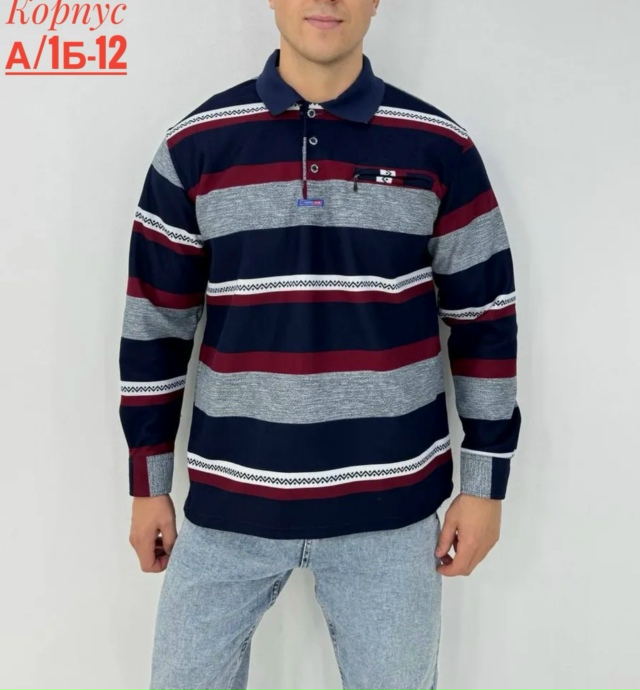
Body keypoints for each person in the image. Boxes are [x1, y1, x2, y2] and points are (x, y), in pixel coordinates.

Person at [118, 1, 521, 688]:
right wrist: (147, 484)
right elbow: (156, 321)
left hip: (390, 514)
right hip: (229, 505)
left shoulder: (438, 147)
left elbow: (484, 317)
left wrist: (485, 486)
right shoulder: (197, 145)